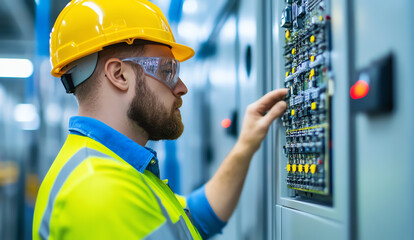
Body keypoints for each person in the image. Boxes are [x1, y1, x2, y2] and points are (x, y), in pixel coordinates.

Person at [32, 0, 288, 239]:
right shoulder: (99, 190)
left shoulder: (113, 166)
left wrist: (245, 145)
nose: (181, 87)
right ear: (119, 75)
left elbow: (192, 219)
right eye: (167, 71)